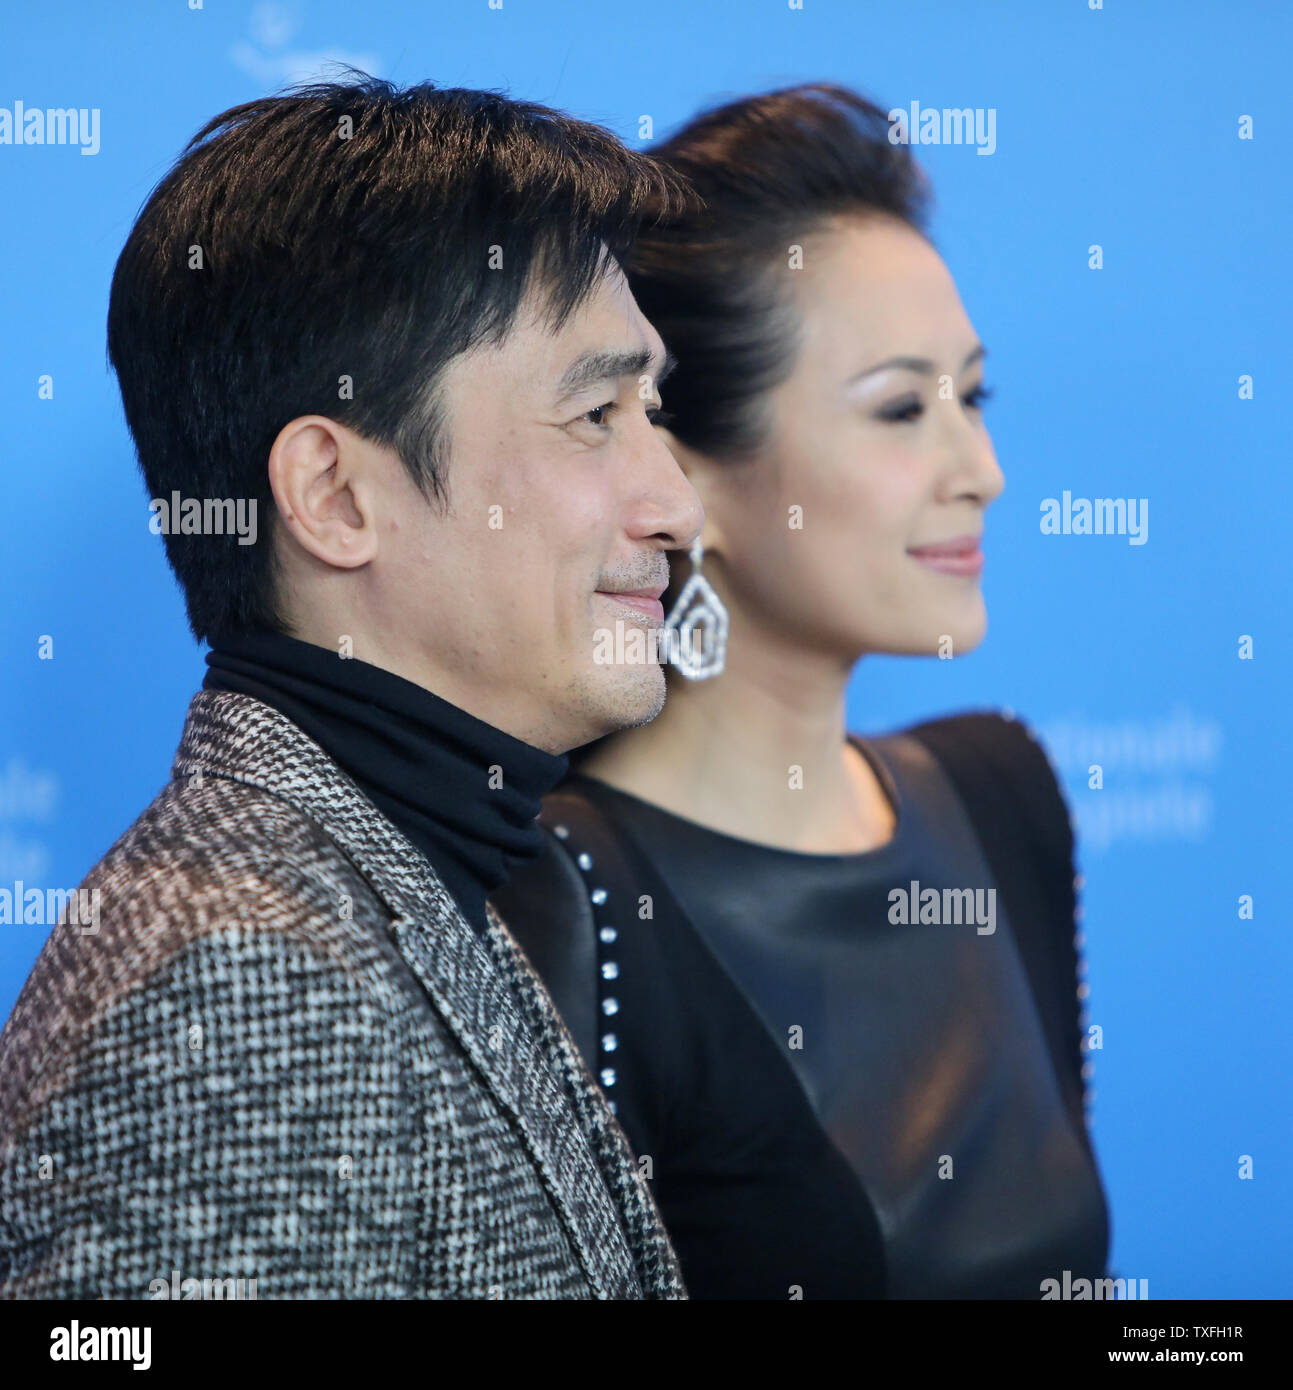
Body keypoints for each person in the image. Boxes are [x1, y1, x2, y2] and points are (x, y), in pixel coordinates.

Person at [0, 75, 703, 1299]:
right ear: (333, 497)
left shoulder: (398, 871)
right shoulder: (243, 981)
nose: (677, 505)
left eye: (653, 408)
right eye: (596, 413)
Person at [492, 83, 1111, 1300]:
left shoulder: (1001, 793)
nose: (980, 471)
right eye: (898, 410)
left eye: (971, 396)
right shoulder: (566, 897)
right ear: (691, 481)